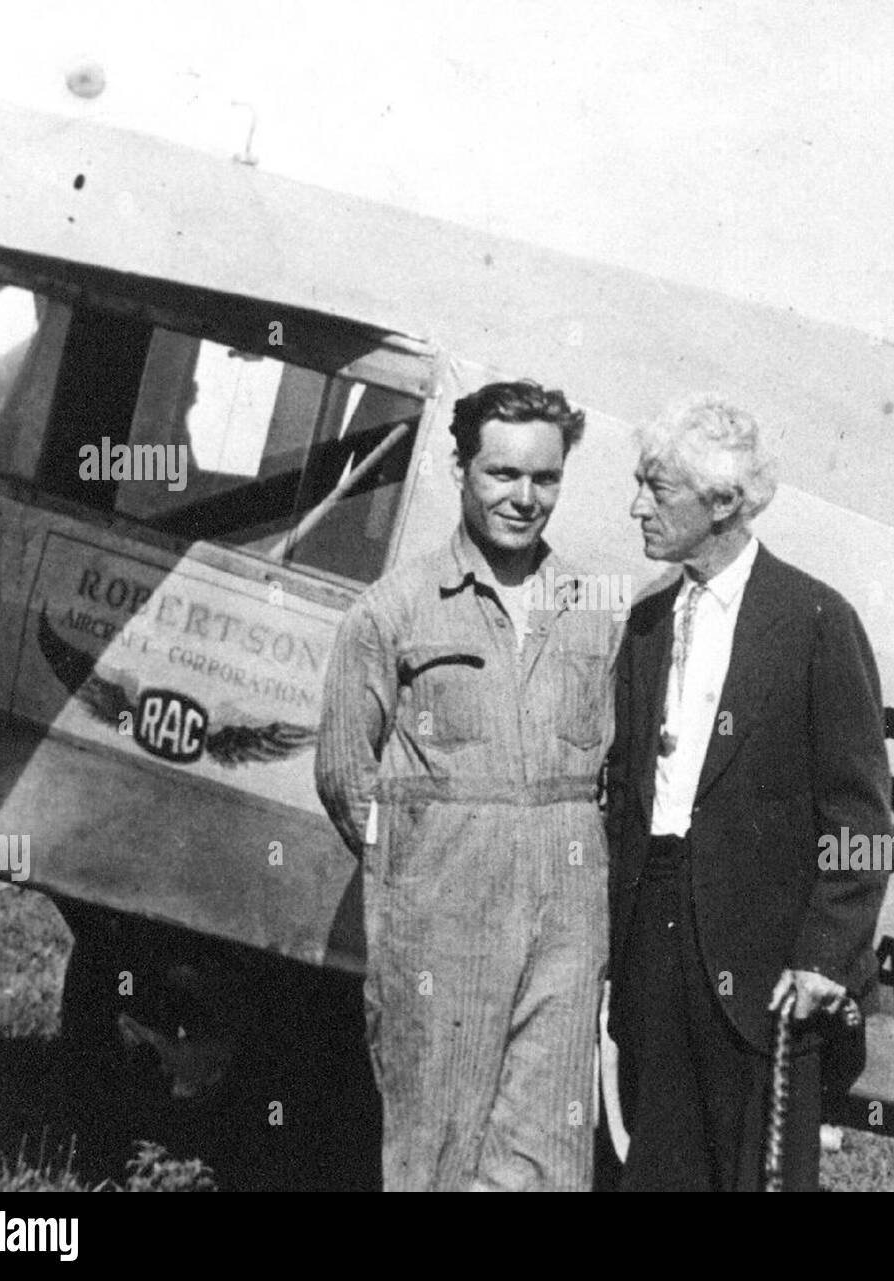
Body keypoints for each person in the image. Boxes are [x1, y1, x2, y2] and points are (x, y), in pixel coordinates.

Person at [316, 380, 619, 1191]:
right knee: (439, 1142)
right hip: (441, 917)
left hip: (567, 923)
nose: (525, 498)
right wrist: (424, 866)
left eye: (545, 478)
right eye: (502, 474)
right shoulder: (392, 612)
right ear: (460, 468)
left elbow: (614, 771)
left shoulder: (595, 609)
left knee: (546, 1152)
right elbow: (346, 775)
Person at [604, 395, 894, 1192]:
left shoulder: (816, 620)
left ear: (724, 502)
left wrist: (826, 957)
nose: (636, 507)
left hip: (765, 971)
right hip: (651, 945)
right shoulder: (648, 620)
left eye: (657, 490)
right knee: (651, 1173)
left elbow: (867, 817)